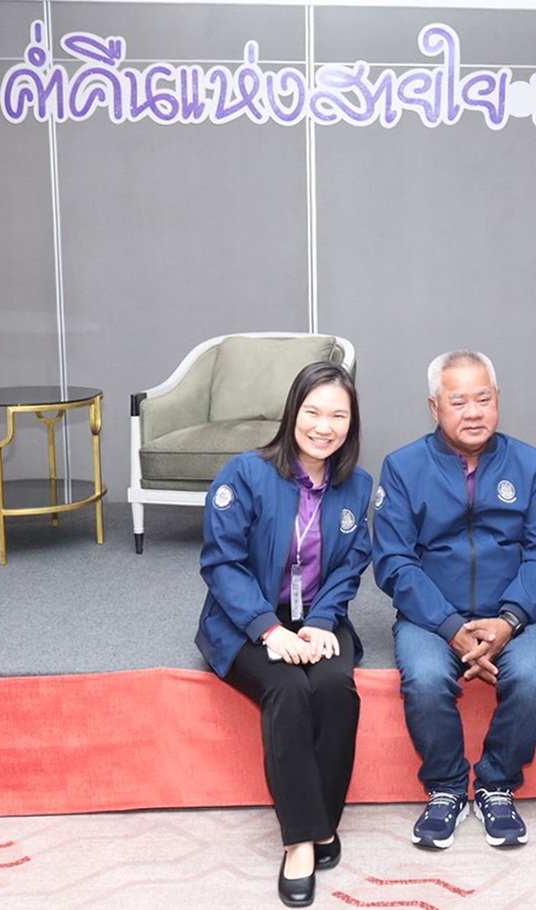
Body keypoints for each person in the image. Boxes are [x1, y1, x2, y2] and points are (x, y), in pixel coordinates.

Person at [196, 361, 373, 908]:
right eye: (313, 412)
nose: (324, 426)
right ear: (293, 412)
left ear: (352, 423)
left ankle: (323, 823)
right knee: (290, 689)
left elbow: (352, 563)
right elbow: (222, 563)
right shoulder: (245, 474)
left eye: (338, 416)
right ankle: (301, 841)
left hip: (317, 616)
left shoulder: (357, 485)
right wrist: (268, 629)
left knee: (336, 687)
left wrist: (321, 621)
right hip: (245, 619)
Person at [372, 350, 536, 850]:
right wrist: (449, 626)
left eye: (483, 399)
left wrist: (509, 620)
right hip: (429, 617)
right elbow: (393, 561)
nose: (473, 413)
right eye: (458, 402)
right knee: (426, 680)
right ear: (434, 407)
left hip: (513, 614)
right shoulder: (403, 467)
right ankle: (447, 788)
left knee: (533, 680)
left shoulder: (530, 463)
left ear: (497, 399)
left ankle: (497, 784)